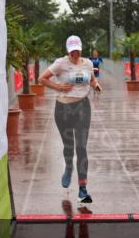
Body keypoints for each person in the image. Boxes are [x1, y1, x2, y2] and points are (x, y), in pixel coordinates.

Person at [39, 35, 101, 203]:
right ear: (68, 50)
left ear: (81, 48)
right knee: (69, 146)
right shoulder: (61, 63)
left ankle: (83, 188)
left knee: (81, 147)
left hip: (82, 107)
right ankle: (68, 168)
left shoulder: (88, 63)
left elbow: (92, 79)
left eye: (77, 49)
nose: (75, 52)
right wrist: (58, 86)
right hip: (63, 109)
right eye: (72, 49)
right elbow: (42, 79)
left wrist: (96, 85)